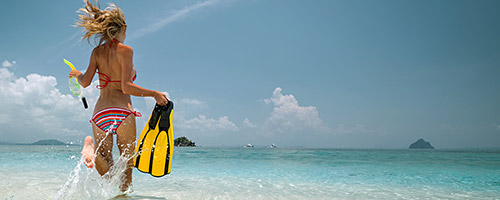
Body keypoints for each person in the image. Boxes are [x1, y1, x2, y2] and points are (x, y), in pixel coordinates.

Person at [69, 0, 168, 191]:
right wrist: (154, 93)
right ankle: (124, 195)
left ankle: (91, 150)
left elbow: (86, 81)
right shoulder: (126, 50)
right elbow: (126, 87)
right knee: (126, 169)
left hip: (100, 114)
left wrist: (76, 74)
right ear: (124, 28)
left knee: (107, 166)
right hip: (122, 113)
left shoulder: (96, 52)